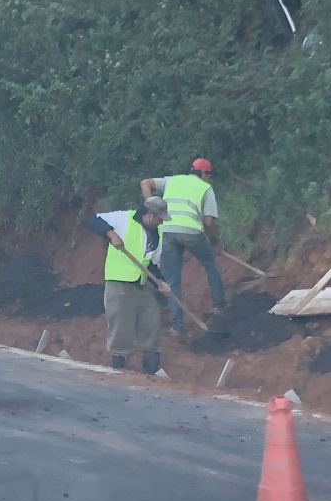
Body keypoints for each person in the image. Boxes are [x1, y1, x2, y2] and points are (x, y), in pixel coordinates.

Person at [85, 197, 171, 374]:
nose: (161, 221)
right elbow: (91, 220)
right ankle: (118, 371)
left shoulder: (158, 234)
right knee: (121, 331)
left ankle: (151, 374)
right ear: (149, 214)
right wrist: (111, 234)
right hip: (119, 286)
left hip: (141, 287)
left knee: (151, 325)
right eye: (159, 218)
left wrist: (160, 282)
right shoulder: (123, 219)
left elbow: (150, 265)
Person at [140, 157, 226, 335]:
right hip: (192, 232)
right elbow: (208, 222)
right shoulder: (205, 188)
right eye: (209, 175)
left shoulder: (173, 180)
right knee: (210, 265)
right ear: (204, 173)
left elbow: (145, 183)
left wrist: (152, 207)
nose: (209, 178)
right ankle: (220, 306)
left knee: (172, 281)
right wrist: (216, 244)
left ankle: (177, 327)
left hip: (169, 231)